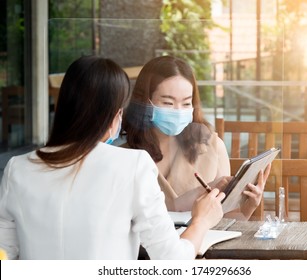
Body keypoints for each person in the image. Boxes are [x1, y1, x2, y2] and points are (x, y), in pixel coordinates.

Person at [0, 55, 225, 260]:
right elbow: (172, 261)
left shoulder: (17, 168)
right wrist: (201, 221)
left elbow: (5, 254)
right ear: (115, 116)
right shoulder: (133, 164)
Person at [122, 55, 271, 220]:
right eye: (168, 103)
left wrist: (249, 205)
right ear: (145, 101)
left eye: (186, 103)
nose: (178, 111)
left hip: (204, 244)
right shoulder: (123, 153)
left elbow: (226, 219)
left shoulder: (211, 147)